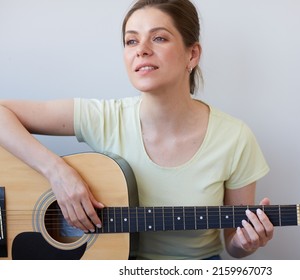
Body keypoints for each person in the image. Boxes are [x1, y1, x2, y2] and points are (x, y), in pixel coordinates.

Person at [0, 0, 273, 259]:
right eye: (131, 40)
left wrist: (244, 242)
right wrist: (57, 173)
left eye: (159, 38)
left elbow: (234, 245)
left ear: (192, 54)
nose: (141, 49)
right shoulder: (103, 117)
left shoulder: (235, 138)